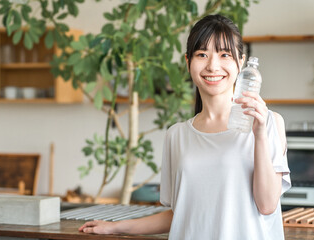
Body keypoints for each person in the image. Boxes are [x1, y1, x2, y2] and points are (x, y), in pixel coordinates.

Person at [78, 14, 291, 239]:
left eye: (224, 54)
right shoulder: (177, 135)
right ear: (188, 62)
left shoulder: (268, 122)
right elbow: (180, 214)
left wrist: (259, 135)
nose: (212, 65)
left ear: (241, 61)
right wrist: (117, 227)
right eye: (202, 54)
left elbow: (267, 205)